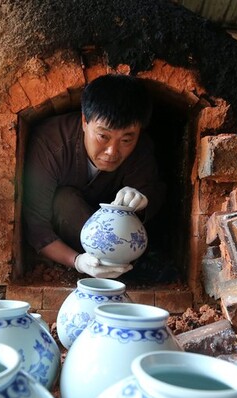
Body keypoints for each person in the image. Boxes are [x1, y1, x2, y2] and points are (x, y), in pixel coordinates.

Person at [23, 74, 166, 279]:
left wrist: (142, 198)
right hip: (67, 235)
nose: (112, 151)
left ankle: (139, 269)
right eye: (103, 136)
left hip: (122, 251)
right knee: (64, 200)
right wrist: (77, 262)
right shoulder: (51, 144)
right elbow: (36, 228)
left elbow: (152, 194)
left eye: (126, 139)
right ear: (84, 121)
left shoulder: (141, 149)